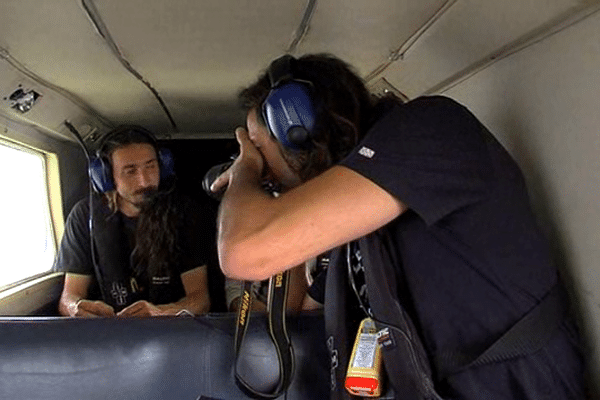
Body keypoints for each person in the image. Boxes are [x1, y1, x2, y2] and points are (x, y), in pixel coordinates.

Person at [211, 54, 586, 398]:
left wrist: (244, 171)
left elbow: (244, 250)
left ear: (298, 127)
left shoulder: (427, 130)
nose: (264, 171)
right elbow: (303, 306)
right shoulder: (363, 217)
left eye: (259, 147)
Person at [55, 125, 214, 317]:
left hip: (171, 329)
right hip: (111, 331)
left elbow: (200, 300)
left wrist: (160, 312)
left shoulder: (184, 211)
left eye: (151, 166)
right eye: (130, 171)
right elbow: (69, 297)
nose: (144, 181)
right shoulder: (84, 215)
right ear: (107, 176)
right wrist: (76, 308)